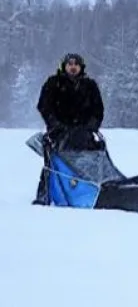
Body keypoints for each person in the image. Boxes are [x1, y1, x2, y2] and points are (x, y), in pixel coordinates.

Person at [32, 53, 105, 205]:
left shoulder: (90, 85)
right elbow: (44, 106)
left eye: (76, 64)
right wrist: (55, 125)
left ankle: (93, 192)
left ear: (81, 67)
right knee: (52, 166)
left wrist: (91, 126)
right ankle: (44, 196)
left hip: (84, 133)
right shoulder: (53, 83)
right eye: (69, 64)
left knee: (89, 164)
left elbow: (98, 109)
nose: (73, 67)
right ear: (64, 66)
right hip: (59, 133)